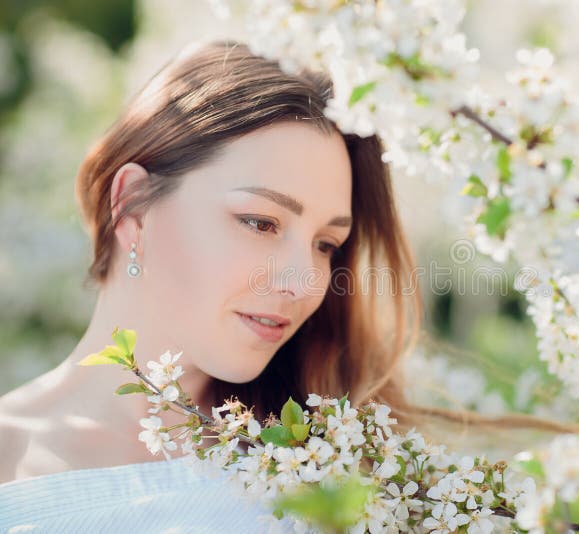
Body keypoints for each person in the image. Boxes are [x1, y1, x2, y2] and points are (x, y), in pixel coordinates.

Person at [0, 38, 424, 531]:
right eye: (261, 222)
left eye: (326, 244)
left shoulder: (337, 460)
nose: (304, 281)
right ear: (133, 206)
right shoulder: (11, 460)